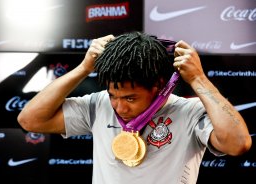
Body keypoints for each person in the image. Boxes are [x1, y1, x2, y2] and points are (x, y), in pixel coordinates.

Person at [17, 31, 252, 184]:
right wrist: (83, 68)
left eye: (130, 98)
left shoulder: (190, 112)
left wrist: (199, 79)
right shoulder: (99, 104)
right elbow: (30, 120)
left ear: (159, 86)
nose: (119, 107)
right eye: (113, 95)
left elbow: (238, 143)